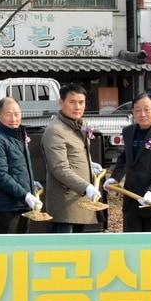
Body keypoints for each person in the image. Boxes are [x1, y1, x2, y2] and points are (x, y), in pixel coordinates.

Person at [105, 94, 151, 233]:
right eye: (138, 110)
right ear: (133, 112)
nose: (142, 114)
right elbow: (125, 158)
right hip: (131, 199)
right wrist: (115, 178)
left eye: (147, 109)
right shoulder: (128, 132)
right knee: (133, 246)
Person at [41, 84, 103, 233]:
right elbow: (59, 168)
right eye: (72, 102)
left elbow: (76, 155)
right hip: (65, 204)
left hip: (81, 201)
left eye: (81, 102)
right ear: (61, 103)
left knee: (78, 251)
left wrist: (90, 164)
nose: (77, 107)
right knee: (63, 252)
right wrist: (86, 187)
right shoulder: (55, 131)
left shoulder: (80, 125)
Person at [0, 97, 37, 235]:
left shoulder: (19, 137)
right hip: (6, 208)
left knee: (22, 253)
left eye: (17, 114)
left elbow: (18, 169)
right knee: (6, 252)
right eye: (8, 114)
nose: (13, 118)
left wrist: (31, 184)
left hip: (23, 206)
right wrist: (25, 194)